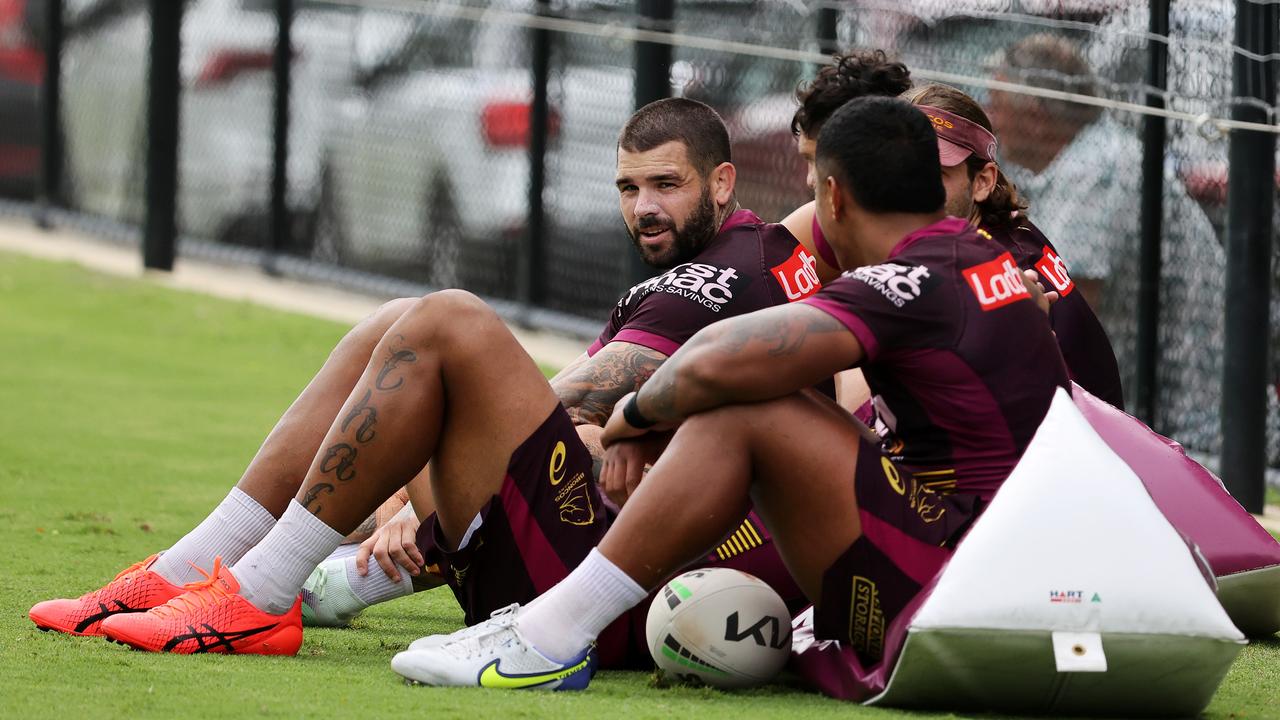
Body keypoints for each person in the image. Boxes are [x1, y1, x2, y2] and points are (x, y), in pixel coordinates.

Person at [28, 98, 811, 659]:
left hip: (616, 589)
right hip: (579, 546)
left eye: (665, 186)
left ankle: (258, 596)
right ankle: (184, 572)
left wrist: (400, 491)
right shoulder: (721, 263)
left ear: (721, 183)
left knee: (446, 322)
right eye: (628, 188)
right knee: (401, 318)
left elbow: (581, 396)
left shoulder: (726, 272)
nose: (643, 207)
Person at [389, 96, 1070, 693]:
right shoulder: (977, 257)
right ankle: (535, 620)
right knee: (756, 401)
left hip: (952, 580)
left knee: (746, 404)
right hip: (992, 558)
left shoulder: (917, 278)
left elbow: (721, 360)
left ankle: (548, 637)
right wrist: (660, 424)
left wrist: (630, 419)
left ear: (832, 197)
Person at [777, 50, 1122, 407]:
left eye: (936, 173)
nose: (913, 186)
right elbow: (758, 267)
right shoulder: (954, 232)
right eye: (901, 169)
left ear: (982, 182)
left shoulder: (988, 263)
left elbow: (858, 410)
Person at [984, 33, 1223, 451]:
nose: (991, 117)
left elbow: (1068, 310)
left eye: (996, 103)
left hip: (1183, 420)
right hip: (1141, 402)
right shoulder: (1085, 156)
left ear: (1036, 115)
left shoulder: (1097, 169)